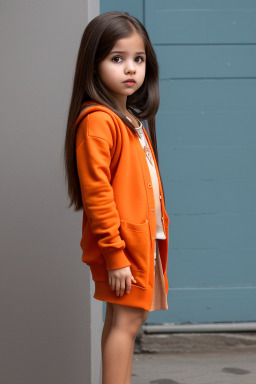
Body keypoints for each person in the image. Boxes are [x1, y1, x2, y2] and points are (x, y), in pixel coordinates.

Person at [63, 11, 170, 384]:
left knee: (126, 320)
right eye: (117, 59)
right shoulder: (98, 120)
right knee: (126, 322)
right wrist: (115, 254)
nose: (130, 69)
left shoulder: (131, 119)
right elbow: (98, 195)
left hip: (140, 239)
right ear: (94, 66)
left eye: (138, 59)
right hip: (122, 246)